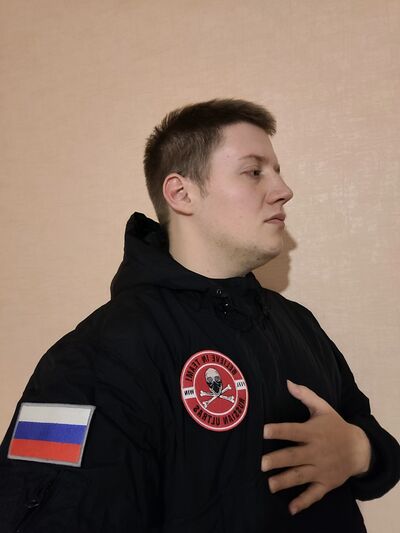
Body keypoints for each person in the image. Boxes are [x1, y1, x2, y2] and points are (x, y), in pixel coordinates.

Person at [0, 98, 399, 533]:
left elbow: (376, 445)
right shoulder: (97, 354)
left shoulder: (298, 324)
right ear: (181, 193)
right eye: (254, 171)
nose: (284, 190)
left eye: (278, 171)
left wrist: (360, 451)